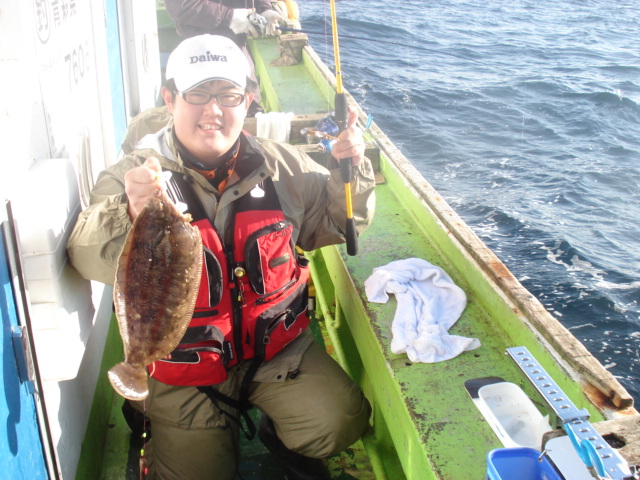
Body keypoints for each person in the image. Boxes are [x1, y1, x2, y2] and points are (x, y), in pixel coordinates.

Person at [67, 34, 375, 480]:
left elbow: (339, 222)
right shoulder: (132, 176)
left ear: (247, 101)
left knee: (339, 421)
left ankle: (277, 431)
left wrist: (351, 170)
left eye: (228, 94)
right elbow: (83, 253)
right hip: (185, 364)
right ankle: (153, 413)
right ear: (170, 99)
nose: (213, 109)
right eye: (197, 93)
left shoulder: (283, 165)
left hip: (275, 354)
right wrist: (129, 211)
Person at [163, 0, 284, 116]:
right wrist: (229, 17)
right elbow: (181, 6)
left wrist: (263, 9)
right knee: (198, 110)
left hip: (237, 47)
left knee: (250, 108)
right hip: (198, 53)